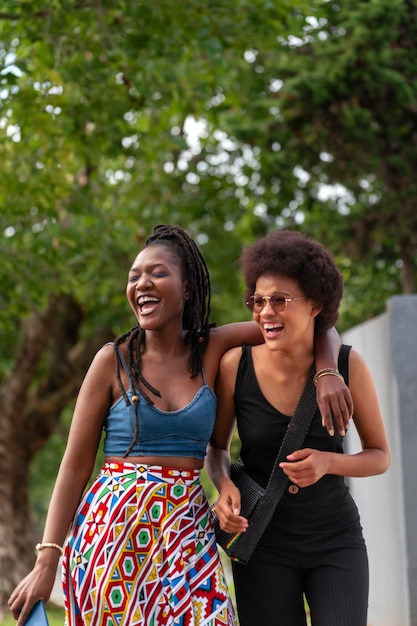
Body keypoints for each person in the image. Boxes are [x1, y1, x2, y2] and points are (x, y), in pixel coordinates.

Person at [9, 224, 352, 626]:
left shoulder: (213, 348)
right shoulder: (113, 360)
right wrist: (48, 557)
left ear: (187, 288)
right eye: (134, 276)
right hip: (112, 535)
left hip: (186, 532)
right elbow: (74, 464)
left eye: (157, 273)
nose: (141, 283)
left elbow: (312, 324)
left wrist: (328, 372)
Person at [205, 230, 391, 626]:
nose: (265, 312)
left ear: (315, 306)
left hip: (335, 539)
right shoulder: (234, 366)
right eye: (258, 300)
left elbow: (380, 456)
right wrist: (224, 487)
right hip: (263, 542)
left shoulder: (346, 366)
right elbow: (217, 448)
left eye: (280, 300)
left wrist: (328, 462)